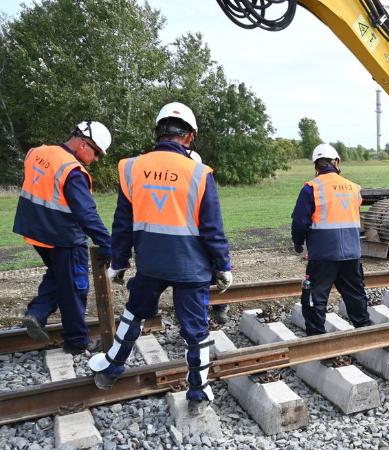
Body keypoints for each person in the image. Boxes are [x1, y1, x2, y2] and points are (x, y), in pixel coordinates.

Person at [89, 102, 233, 416]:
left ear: (159, 131)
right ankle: (198, 390)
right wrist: (223, 266)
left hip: (151, 264)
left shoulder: (131, 168)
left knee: (133, 315)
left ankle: (111, 368)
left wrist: (119, 261)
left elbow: (122, 222)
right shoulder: (199, 172)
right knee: (196, 331)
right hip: (191, 268)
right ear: (190, 136)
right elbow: (212, 228)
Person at [14, 121, 113, 354]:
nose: (96, 159)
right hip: (63, 237)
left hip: (36, 232)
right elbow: (86, 214)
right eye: (96, 152)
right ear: (81, 143)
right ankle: (77, 342)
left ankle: (37, 313)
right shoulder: (72, 170)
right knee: (74, 287)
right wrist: (107, 243)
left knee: (59, 276)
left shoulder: (36, 153)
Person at [290, 143, 373, 336]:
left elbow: (299, 221)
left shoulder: (312, 188)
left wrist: (297, 243)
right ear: (336, 162)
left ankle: (317, 336)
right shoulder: (354, 188)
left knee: (314, 297)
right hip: (352, 253)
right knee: (355, 293)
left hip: (323, 255)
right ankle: (365, 330)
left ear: (316, 165)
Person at [188, 150, 230, 325]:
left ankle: (216, 309)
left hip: (192, 242)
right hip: (196, 242)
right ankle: (215, 310)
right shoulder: (200, 179)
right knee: (210, 273)